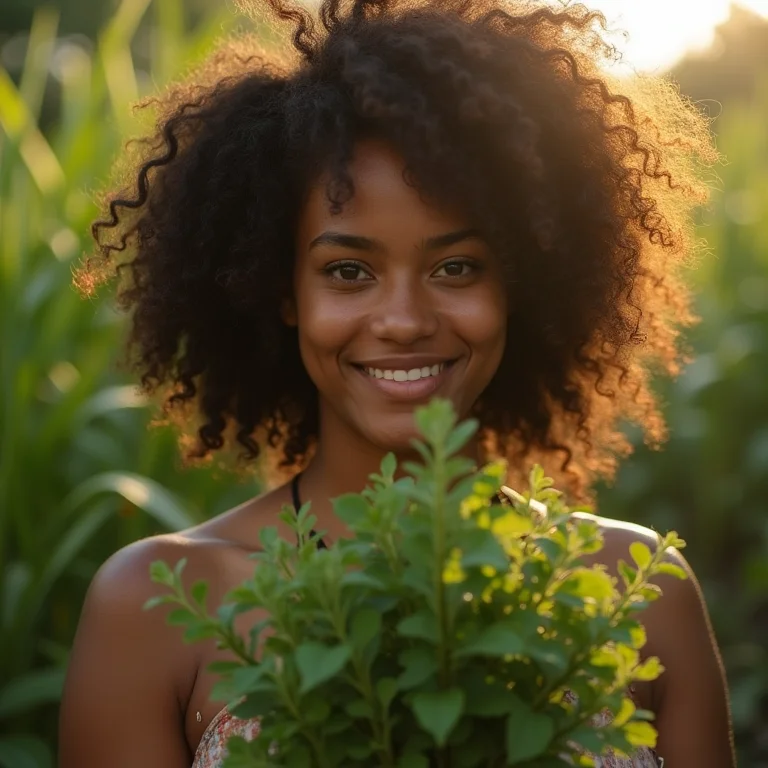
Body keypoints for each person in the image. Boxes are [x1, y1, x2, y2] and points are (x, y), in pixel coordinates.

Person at [59, 0, 735, 765]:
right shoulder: (156, 602)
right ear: (282, 292)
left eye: (457, 267)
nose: (406, 320)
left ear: (525, 282)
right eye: (348, 271)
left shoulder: (637, 591)